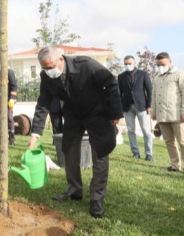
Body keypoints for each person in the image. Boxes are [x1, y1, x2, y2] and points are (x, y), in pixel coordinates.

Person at [27, 46, 123, 219]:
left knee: (100, 153)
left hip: (97, 112)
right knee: (68, 150)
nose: (49, 71)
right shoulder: (46, 77)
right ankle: (74, 190)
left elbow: (110, 82)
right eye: (44, 68)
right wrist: (35, 134)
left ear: (61, 58)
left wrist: (115, 112)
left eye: (51, 67)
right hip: (72, 114)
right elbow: (43, 103)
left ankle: (96, 198)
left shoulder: (86, 64)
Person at [151, 52, 184, 176]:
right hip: (162, 115)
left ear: (170, 62)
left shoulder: (180, 75)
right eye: (158, 65)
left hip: (178, 115)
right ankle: (175, 165)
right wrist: (154, 112)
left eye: (163, 64)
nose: (160, 67)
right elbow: (153, 96)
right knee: (169, 142)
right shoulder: (157, 77)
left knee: (183, 142)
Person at [117, 55, 154, 161]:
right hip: (127, 107)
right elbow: (120, 93)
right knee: (131, 131)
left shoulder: (143, 74)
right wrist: (120, 107)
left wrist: (149, 105)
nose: (128, 65)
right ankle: (135, 153)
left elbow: (149, 90)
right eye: (126, 64)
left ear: (134, 63)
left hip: (141, 106)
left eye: (129, 63)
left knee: (146, 131)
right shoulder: (121, 76)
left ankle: (149, 153)